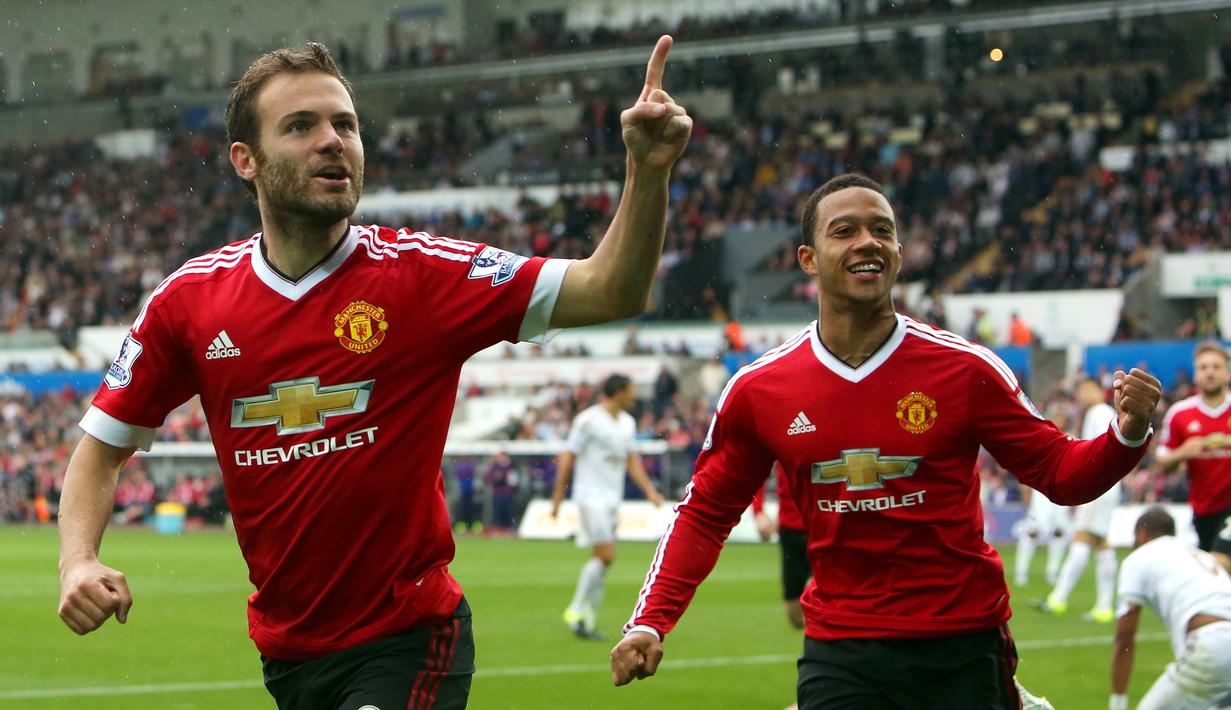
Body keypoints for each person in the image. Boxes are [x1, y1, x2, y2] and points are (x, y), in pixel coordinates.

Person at [57, 37, 691, 710]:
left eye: (345, 124)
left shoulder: (424, 274)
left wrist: (646, 173)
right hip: (288, 652)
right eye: (301, 126)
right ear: (246, 160)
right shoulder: (188, 302)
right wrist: (78, 560)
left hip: (408, 637)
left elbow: (611, 289)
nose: (333, 141)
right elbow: (100, 450)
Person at [610, 174, 1162, 708]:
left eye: (882, 229)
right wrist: (650, 620)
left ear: (899, 251)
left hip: (961, 642)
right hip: (842, 649)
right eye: (844, 230)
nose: (867, 241)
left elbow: (1061, 474)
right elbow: (706, 512)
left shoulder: (965, 370)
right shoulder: (761, 390)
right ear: (808, 259)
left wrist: (1126, 433)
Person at [551, 373, 665, 640]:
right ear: (619, 392)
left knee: (601, 560)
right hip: (590, 497)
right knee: (606, 555)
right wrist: (558, 496)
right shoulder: (588, 420)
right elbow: (568, 456)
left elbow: (631, 460)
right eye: (631, 390)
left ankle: (586, 621)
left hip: (612, 498)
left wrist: (649, 491)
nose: (635, 396)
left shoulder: (627, 423)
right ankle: (576, 609)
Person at [1110, 507, 1231, 710]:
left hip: (1212, 646)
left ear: (1142, 533)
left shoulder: (1138, 559)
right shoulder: (1197, 553)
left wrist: (1118, 703)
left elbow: (1124, 638)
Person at [1041, 378, 1123, 621]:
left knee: (1081, 537)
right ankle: (1104, 606)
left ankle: (1058, 599)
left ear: (1098, 390)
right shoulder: (1102, 412)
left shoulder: (1099, 412)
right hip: (1106, 486)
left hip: (1100, 486)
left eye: (1085, 389)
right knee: (1101, 544)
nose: (1082, 394)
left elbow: (1099, 448)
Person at [1155, 341, 1231, 573]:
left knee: (1218, 564)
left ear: (1227, 372)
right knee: (1212, 575)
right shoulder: (1180, 414)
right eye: (1204, 367)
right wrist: (1183, 452)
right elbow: (1162, 464)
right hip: (1203, 509)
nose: (1210, 372)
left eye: (1216, 367)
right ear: (1196, 374)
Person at [1013, 408, 1074, 587]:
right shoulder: (1042, 437)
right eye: (1057, 417)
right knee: (1032, 531)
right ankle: (1021, 572)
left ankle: (1052, 572)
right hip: (1041, 492)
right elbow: (1026, 465)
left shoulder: (1072, 439)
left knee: (1059, 532)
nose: (1060, 421)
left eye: (1063, 418)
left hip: (1061, 491)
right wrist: (1026, 491)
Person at [752, 461, 809, 630]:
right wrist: (759, 512)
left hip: (819, 529)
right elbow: (758, 474)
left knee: (814, 595)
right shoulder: (783, 437)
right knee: (795, 616)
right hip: (789, 531)